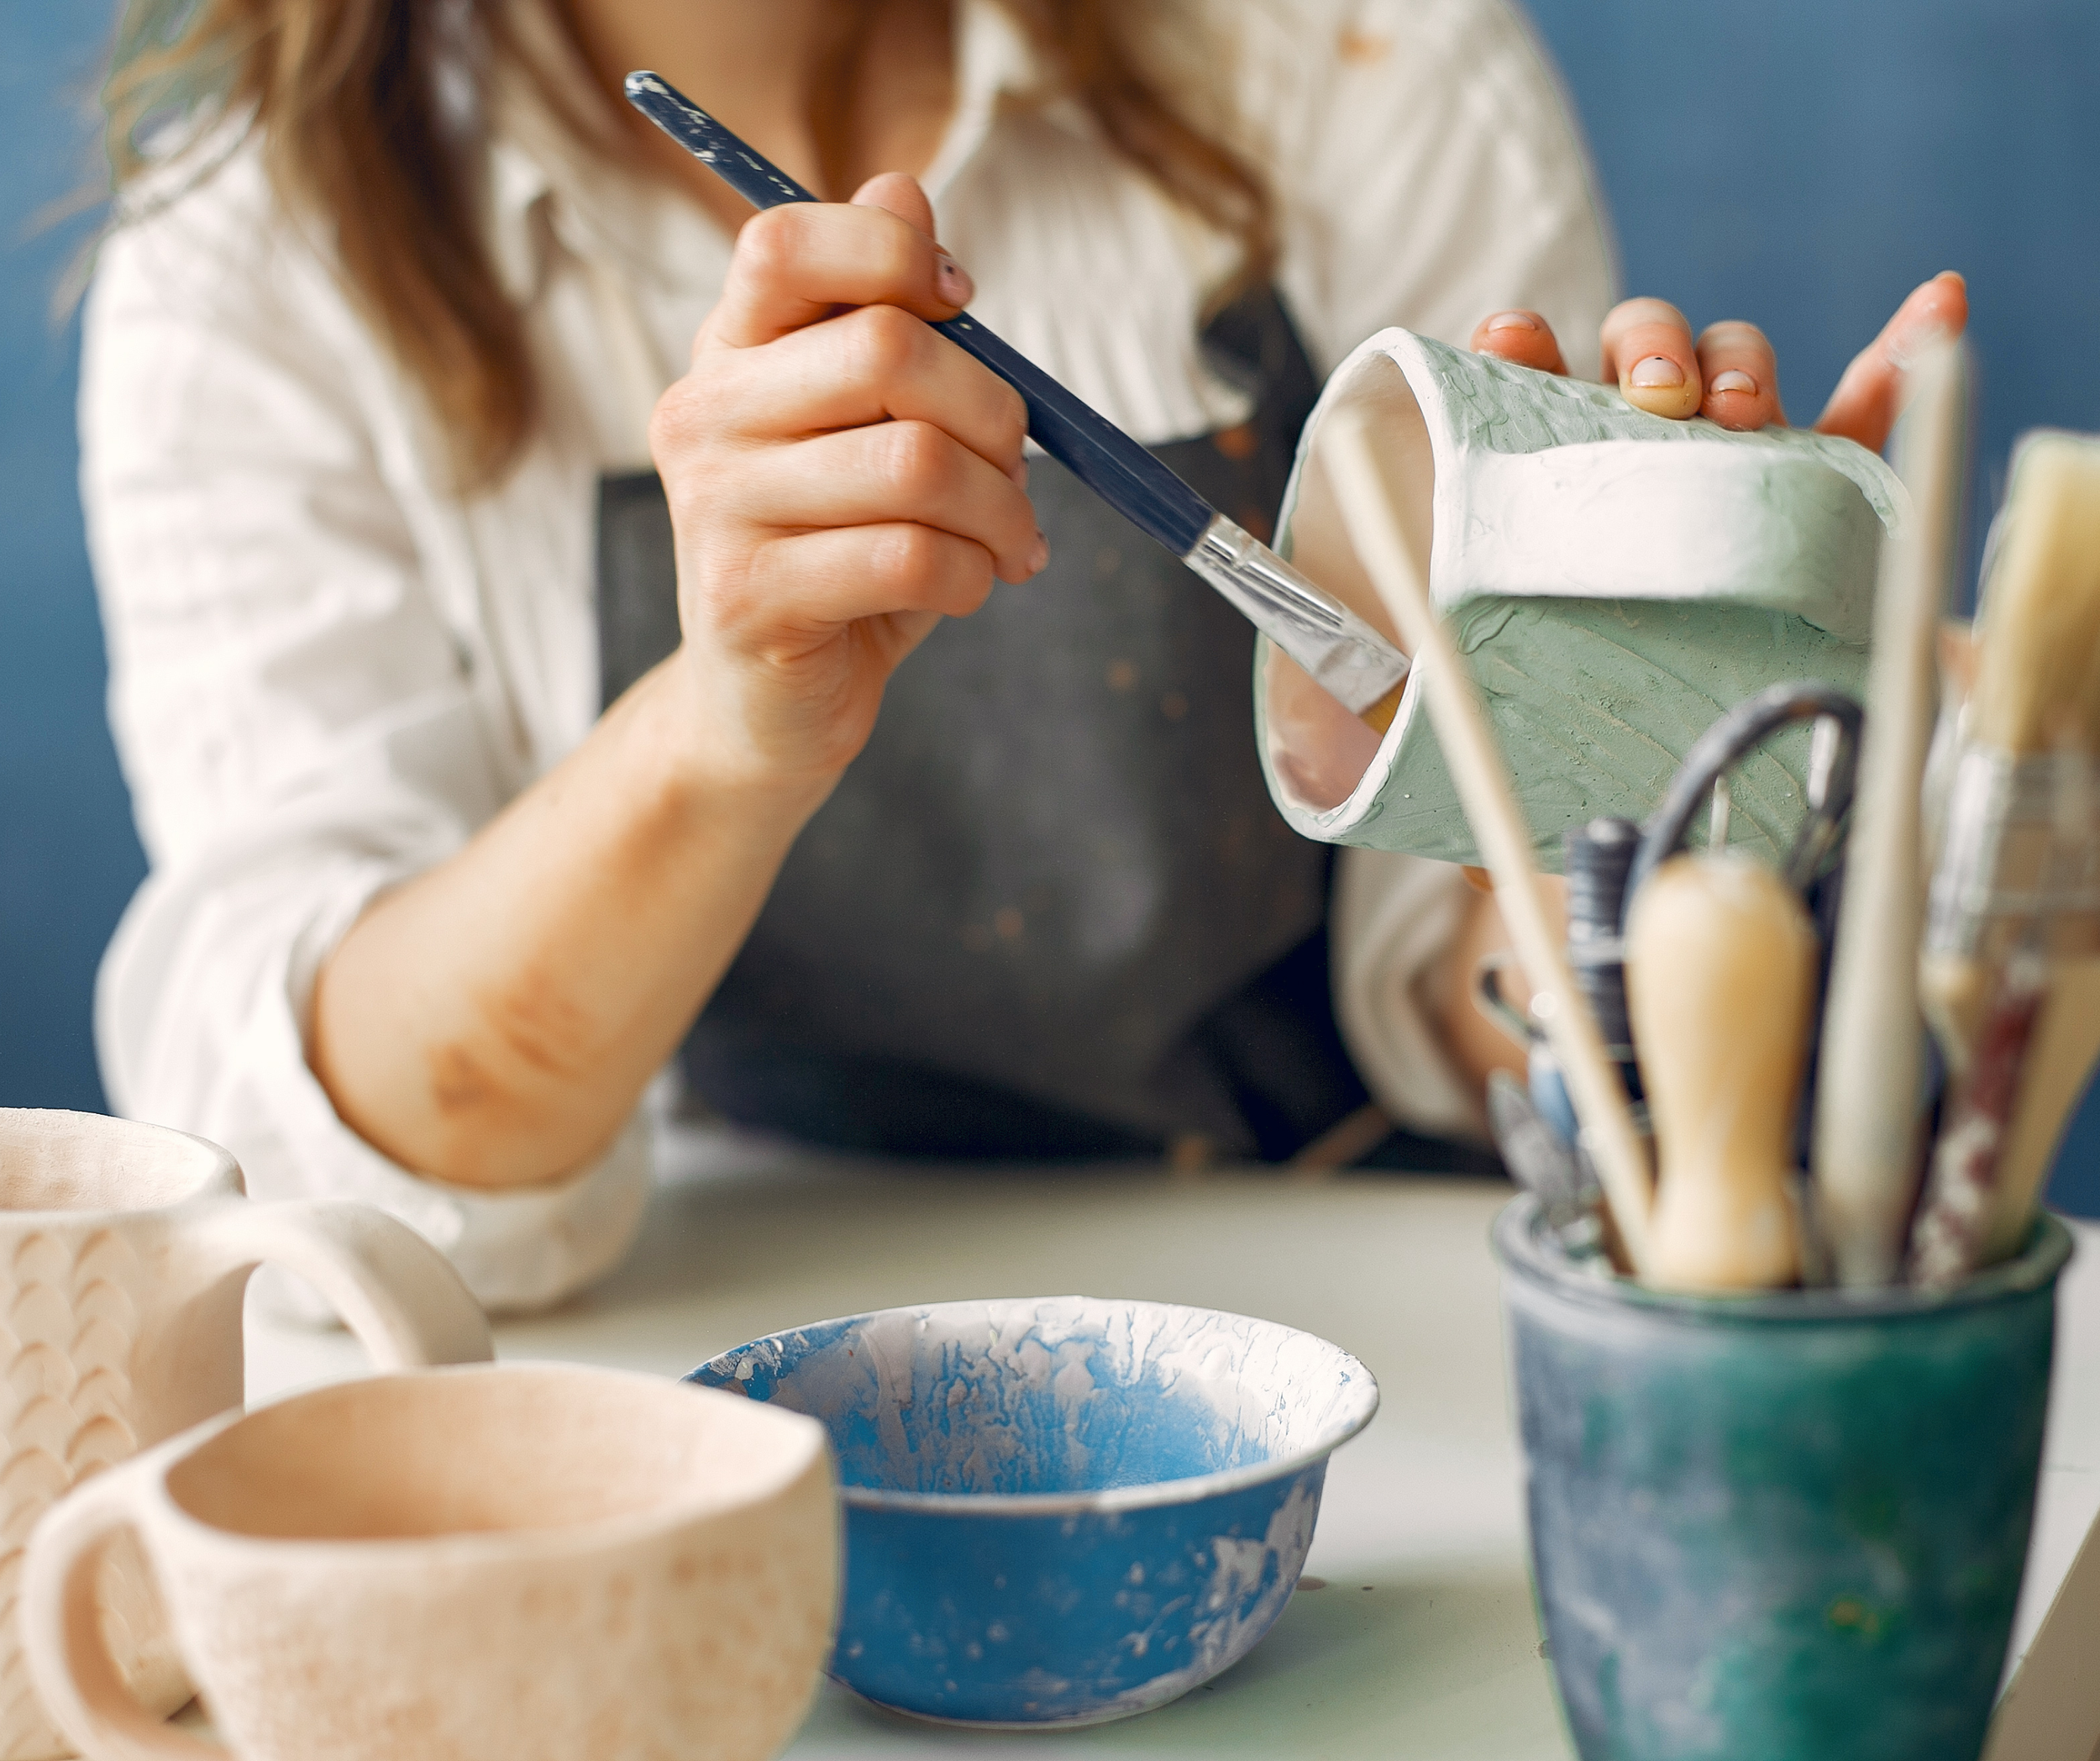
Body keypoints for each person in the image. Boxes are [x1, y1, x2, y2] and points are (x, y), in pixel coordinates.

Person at [84, 0, 1964, 1311]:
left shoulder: (1357, 62)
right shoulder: (250, 265)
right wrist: (722, 729)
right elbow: (308, 1163)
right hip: (702, 1379)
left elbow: (1476, 989)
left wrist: (1662, 778)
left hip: (1368, 1329)